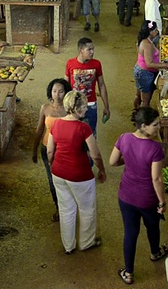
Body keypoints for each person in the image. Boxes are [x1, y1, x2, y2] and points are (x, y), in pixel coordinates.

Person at [110, 107, 168, 285]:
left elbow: (113, 162)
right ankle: (155, 252)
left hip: (126, 196)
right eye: (155, 125)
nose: (159, 128)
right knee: (152, 226)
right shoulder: (155, 149)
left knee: (130, 233)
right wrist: (162, 201)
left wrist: (127, 160)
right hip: (147, 199)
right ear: (143, 126)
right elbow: (156, 178)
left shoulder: (124, 138)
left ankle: (128, 272)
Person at [47, 90, 106, 255]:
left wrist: (55, 166)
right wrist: (101, 170)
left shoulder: (56, 124)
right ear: (78, 109)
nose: (86, 109)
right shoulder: (83, 128)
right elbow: (95, 154)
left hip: (58, 173)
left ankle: (68, 246)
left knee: (66, 209)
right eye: (85, 107)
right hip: (80, 175)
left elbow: (50, 152)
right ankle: (86, 242)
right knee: (87, 209)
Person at [32, 78, 73, 223]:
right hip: (46, 149)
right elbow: (39, 129)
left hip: (64, 150)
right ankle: (59, 208)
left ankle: (68, 207)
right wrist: (34, 149)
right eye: (54, 91)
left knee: (66, 180)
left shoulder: (69, 109)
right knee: (52, 181)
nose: (57, 94)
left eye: (61, 91)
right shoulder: (45, 108)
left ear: (66, 93)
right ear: (50, 92)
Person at [65, 37, 110, 134]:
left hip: (90, 104)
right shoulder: (70, 63)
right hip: (74, 104)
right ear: (81, 50)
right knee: (73, 132)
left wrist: (106, 106)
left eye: (93, 49)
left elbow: (101, 85)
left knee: (91, 132)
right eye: (89, 49)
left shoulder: (97, 64)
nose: (92, 52)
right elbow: (66, 85)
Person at [134, 21, 168, 109]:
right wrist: (166, 65)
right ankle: (143, 119)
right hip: (145, 74)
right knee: (145, 101)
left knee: (138, 95)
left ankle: (136, 112)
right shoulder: (147, 44)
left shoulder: (143, 40)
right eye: (155, 30)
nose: (157, 31)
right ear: (150, 32)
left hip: (139, 70)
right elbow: (149, 64)